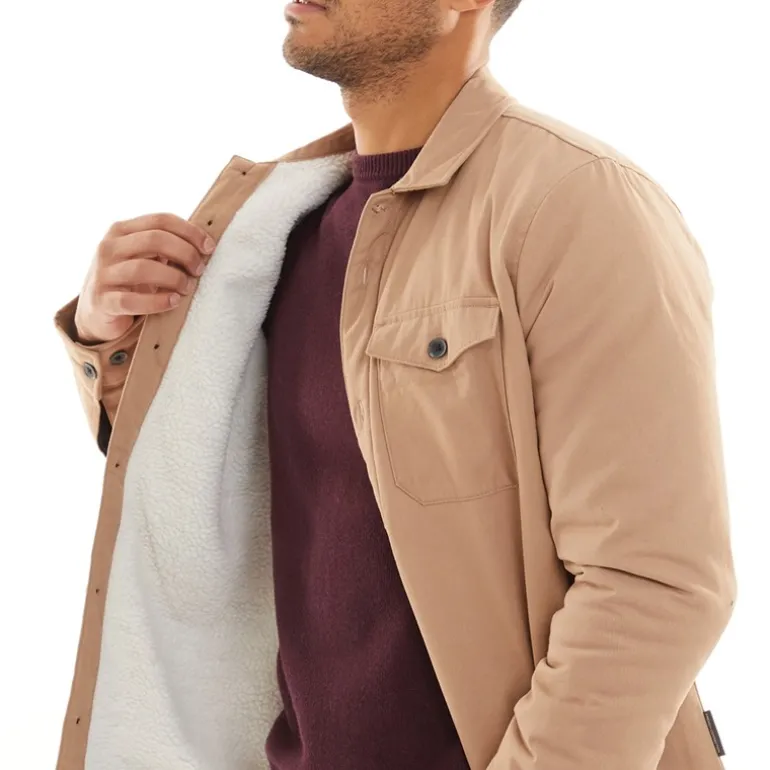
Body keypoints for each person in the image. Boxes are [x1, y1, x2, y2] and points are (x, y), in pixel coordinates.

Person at [52, 0, 736, 768]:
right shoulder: (278, 231)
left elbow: (654, 582)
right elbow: (213, 491)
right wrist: (108, 339)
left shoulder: (574, 201)